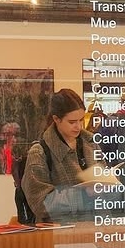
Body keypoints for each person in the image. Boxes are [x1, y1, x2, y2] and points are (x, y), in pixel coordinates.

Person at [21, 88, 106, 223]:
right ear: (56, 119)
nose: (78, 126)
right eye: (72, 122)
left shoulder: (91, 144)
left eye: (81, 120)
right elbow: (40, 203)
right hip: (61, 231)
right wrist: (83, 195)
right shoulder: (39, 153)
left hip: (98, 225)